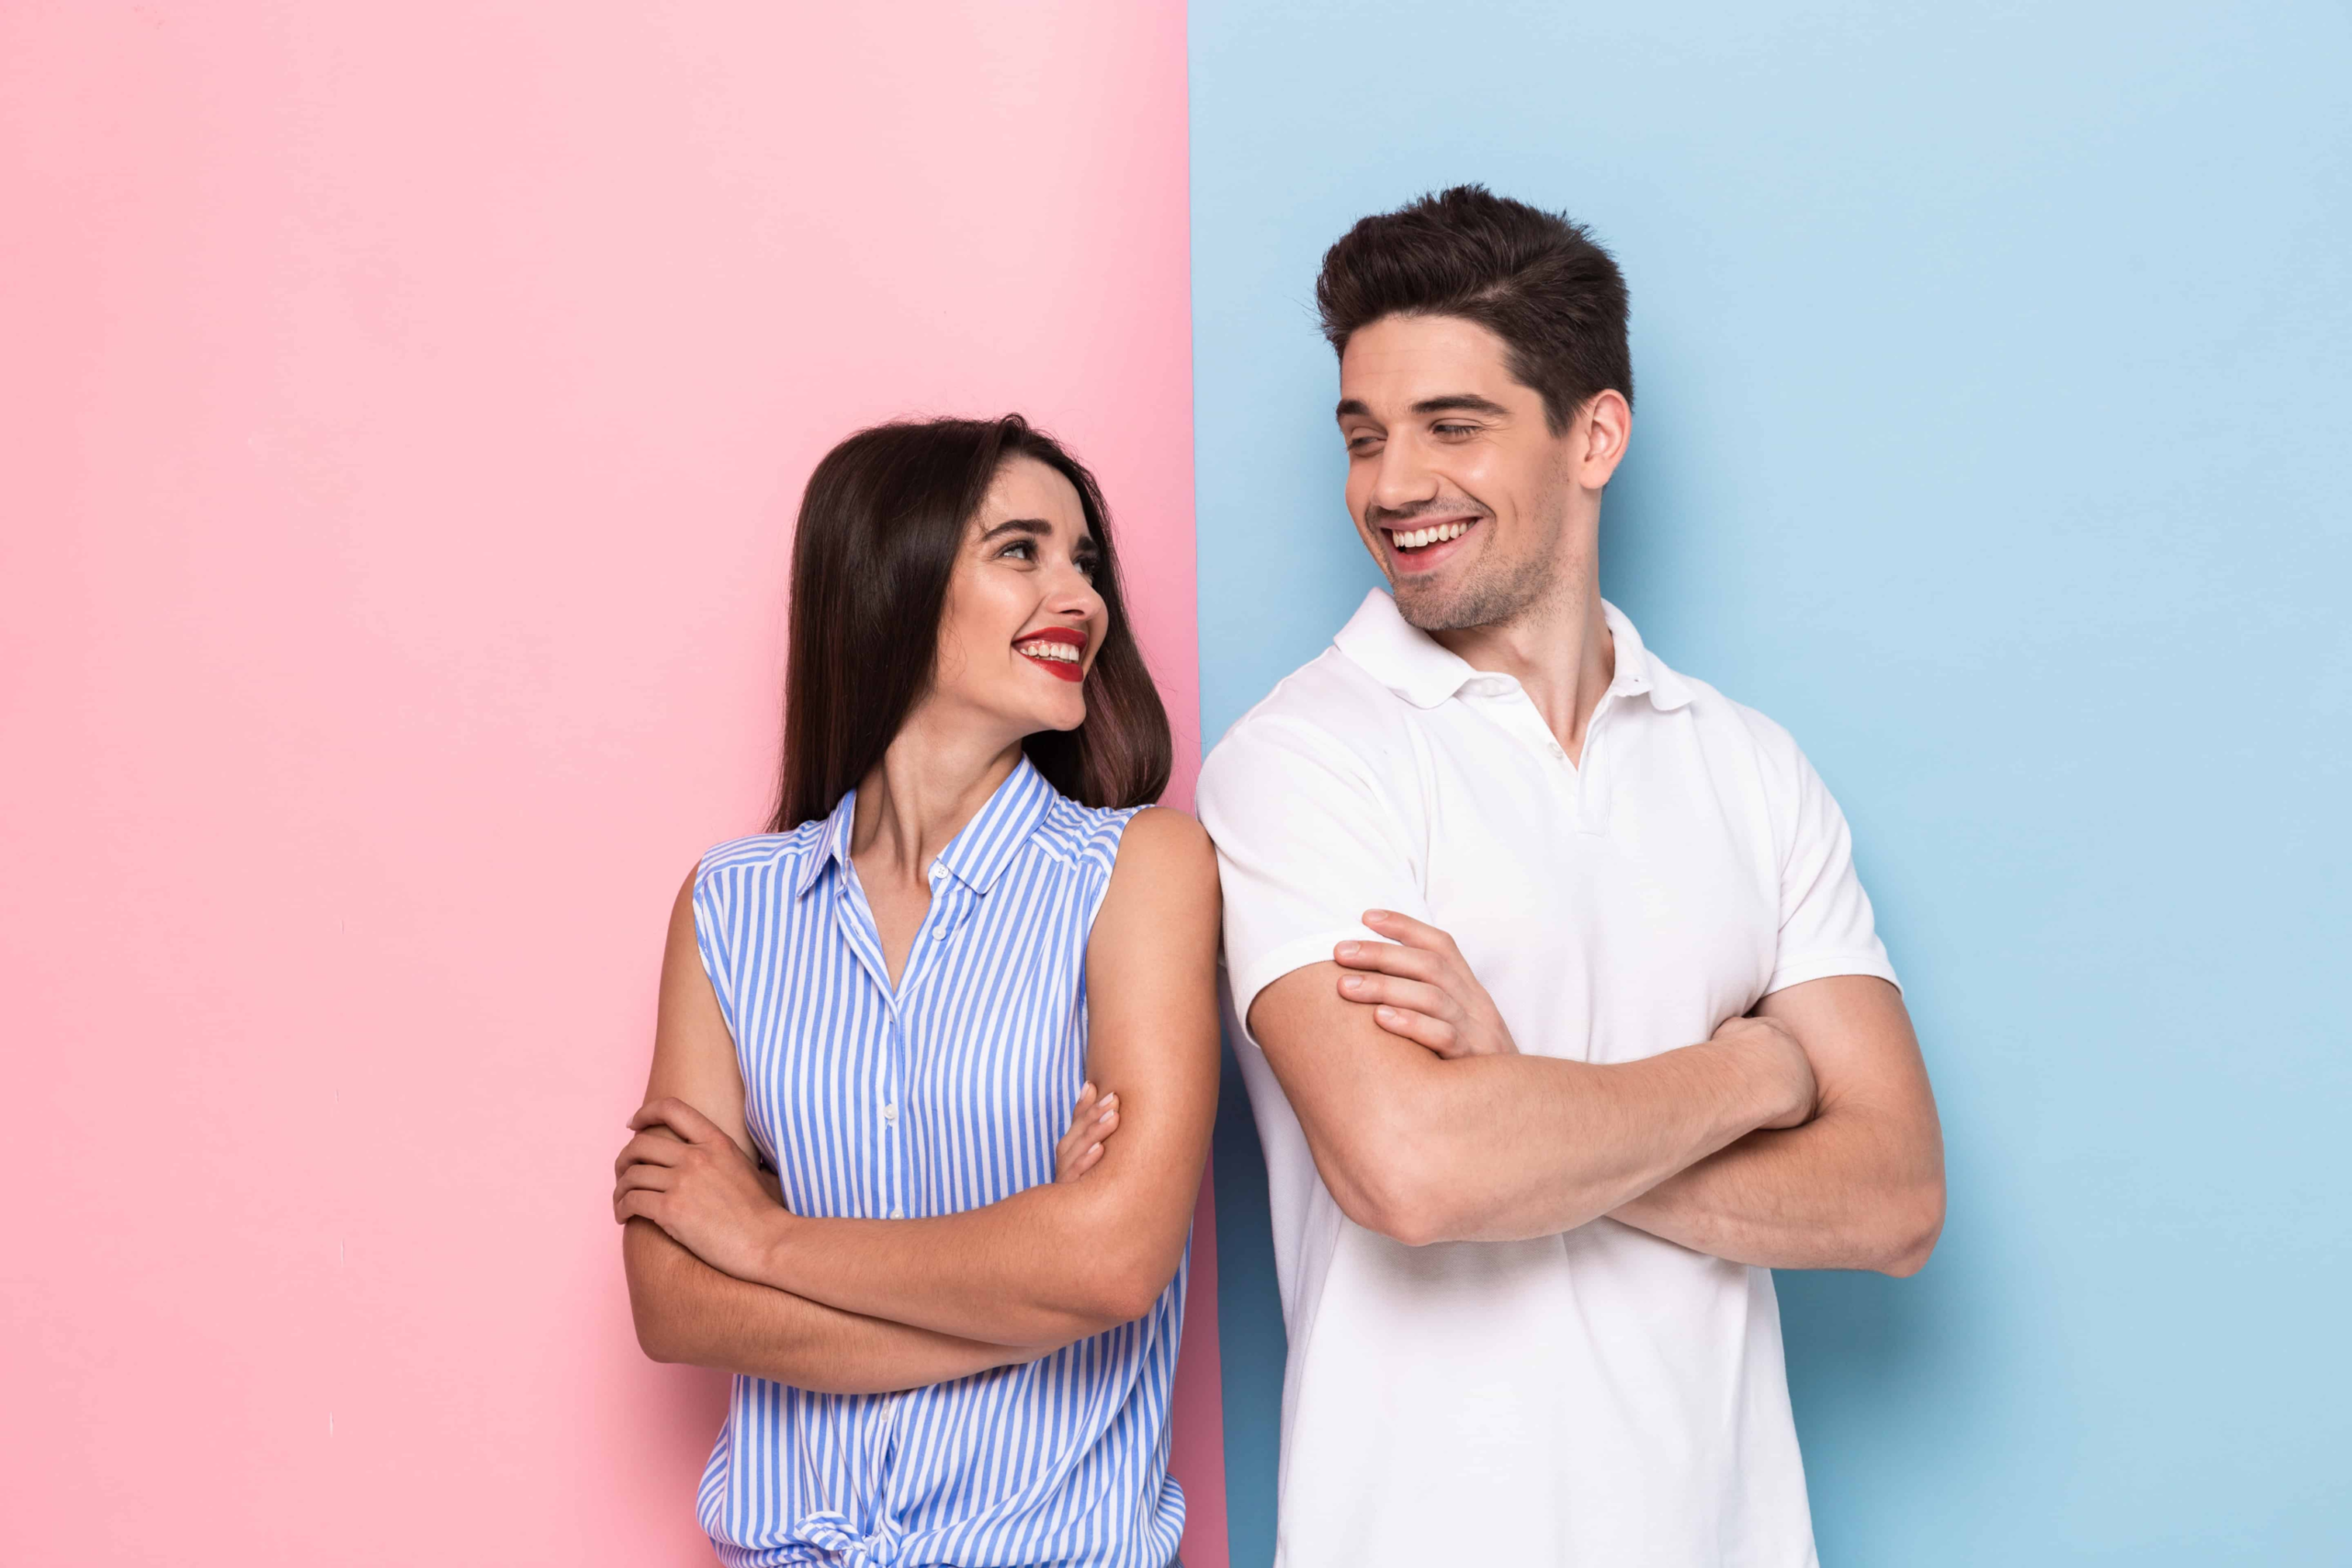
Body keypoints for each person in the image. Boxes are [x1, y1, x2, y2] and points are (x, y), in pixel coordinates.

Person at [1192, 187, 1947, 1566]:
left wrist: (1520, 1096)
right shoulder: (1304, 761)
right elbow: (1415, 1169)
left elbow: (1893, 1196)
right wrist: (1757, 1079)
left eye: (1452, 425)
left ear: (1594, 434)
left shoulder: (1749, 767)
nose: (1393, 484)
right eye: (1363, 436)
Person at [612, 415, 1219, 1568]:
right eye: (1021, 551)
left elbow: (1110, 1264)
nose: (1078, 597)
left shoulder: (1141, 872)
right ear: (892, 578)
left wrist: (766, 1240)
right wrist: (1020, 1296)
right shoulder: (729, 910)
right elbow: (671, 1304)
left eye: (1084, 561)